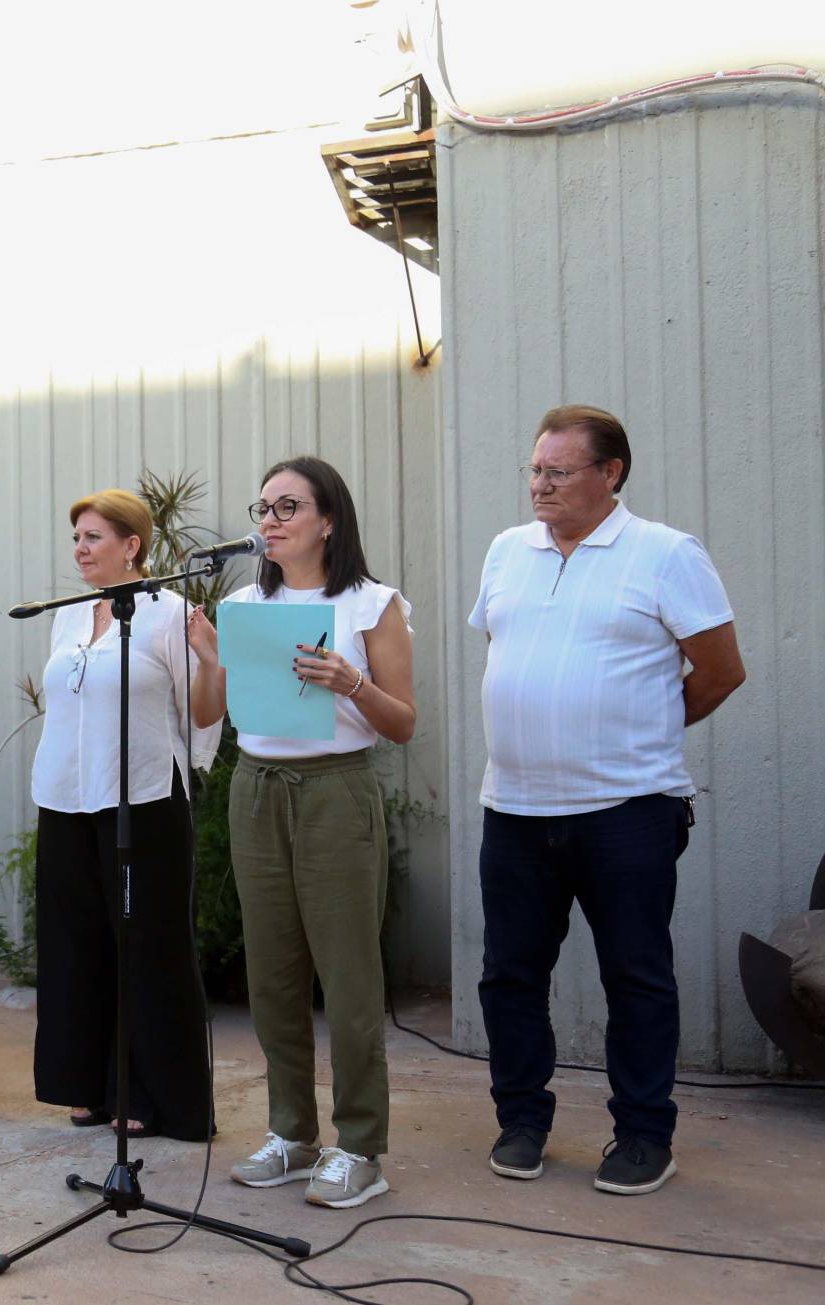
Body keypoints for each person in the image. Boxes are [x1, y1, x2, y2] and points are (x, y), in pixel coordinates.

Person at [472, 405, 745, 1196]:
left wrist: (643, 725)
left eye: (558, 472)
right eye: (534, 470)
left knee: (636, 976)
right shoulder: (506, 551)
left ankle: (643, 1135)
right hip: (515, 809)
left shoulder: (664, 554)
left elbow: (720, 669)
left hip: (626, 810)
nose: (540, 486)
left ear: (610, 473)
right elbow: (510, 650)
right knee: (510, 976)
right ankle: (521, 1121)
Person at [188, 456, 416, 1209]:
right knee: (272, 974)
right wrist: (213, 659)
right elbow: (207, 716)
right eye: (263, 507)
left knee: (348, 977)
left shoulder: (370, 604)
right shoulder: (248, 600)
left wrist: (349, 681)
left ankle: (360, 1147)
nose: (270, 520)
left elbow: (403, 723)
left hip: (334, 790)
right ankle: (293, 1131)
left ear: (328, 520)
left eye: (288, 506)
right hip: (256, 786)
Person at [31, 490, 220, 1139]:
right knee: (77, 943)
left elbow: (201, 715)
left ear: (132, 544)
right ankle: (87, 1081)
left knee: (147, 946)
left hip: (142, 798)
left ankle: (152, 1093)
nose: (80, 549)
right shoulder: (67, 616)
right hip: (66, 798)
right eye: (76, 537)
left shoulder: (171, 614)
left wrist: (212, 662)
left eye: (92, 537)